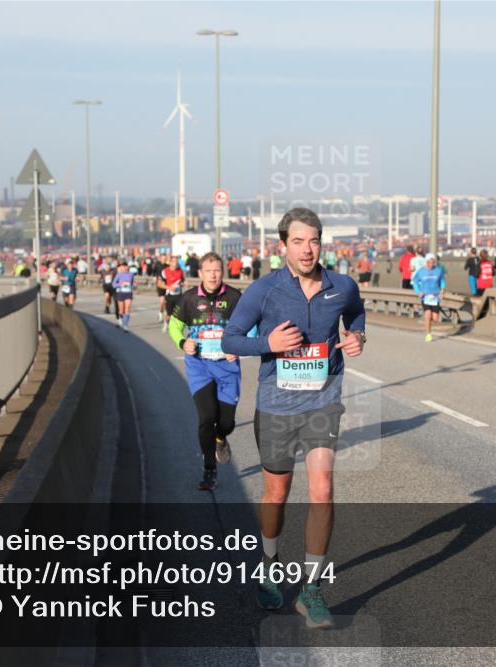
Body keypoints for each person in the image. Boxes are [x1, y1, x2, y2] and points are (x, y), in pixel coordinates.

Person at [223, 207, 366, 629]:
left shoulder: (342, 286)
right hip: (276, 404)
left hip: (323, 399)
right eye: (299, 241)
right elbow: (231, 338)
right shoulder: (263, 291)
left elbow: (356, 315)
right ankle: (269, 563)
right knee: (276, 495)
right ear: (282, 245)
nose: (308, 249)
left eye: (315, 240)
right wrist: (266, 341)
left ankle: (311, 590)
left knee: (322, 489)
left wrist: (358, 337)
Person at [168, 252, 248, 489]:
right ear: (200, 273)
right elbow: (174, 326)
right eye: (208, 271)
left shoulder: (234, 297)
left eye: (217, 270)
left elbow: (250, 327)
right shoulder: (189, 299)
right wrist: (183, 343)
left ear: (222, 272)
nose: (213, 275)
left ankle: (221, 438)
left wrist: (239, 346)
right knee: (206, 418)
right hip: (199, 366)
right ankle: (209, 469)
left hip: (227, 367)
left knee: (226, 423)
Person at [412, 252, 446, 342]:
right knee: (427, 315)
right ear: (426, 262)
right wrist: (418, 291)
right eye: (428, 262)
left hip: (435, 296)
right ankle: (428, 334)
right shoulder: (421, 271)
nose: (430, 264)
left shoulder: (438, 270)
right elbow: (415, 281)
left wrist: (442, 290)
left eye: (432, 262)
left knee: (435, 318)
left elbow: (442, 280)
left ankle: (429, 322)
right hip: (425, 296)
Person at [161, 255, 185, 332]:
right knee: (169, 315)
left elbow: (182, 281)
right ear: (170, 262)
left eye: (177, 262)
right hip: (169, 295)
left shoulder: (180, 271)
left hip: (179, 295)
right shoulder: (165, 271)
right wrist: (169, 287)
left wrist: (183, 283)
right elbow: (159, 284)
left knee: (178, 313)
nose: (176, 263)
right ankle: (166, 323)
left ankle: (176, 328)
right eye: (174, 261)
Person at [112, 260, 136, 331]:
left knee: (127, 309)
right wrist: (120, 284)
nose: (124, 268)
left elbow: (132, 283)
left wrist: (134, 285)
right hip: (121, 293)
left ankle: (125, 325)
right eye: (123, 267)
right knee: (121, 310)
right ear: (121, 267)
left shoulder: (131, 274)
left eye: (125, 266)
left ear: (127, 267)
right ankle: (120, 319)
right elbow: (113, 284)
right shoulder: (119, 274)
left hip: (128, 293)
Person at [153, 255, 168, 323]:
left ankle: (164, 313)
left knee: (165, 302)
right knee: (162, 301)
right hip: (160, 284)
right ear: (160, 258)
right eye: (163, 258)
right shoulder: (157, 265)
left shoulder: (167, 266)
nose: (164, 260)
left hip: (167, 285)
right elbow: (154, 272)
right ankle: (160, 313)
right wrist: (154, 278)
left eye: (165, 258)